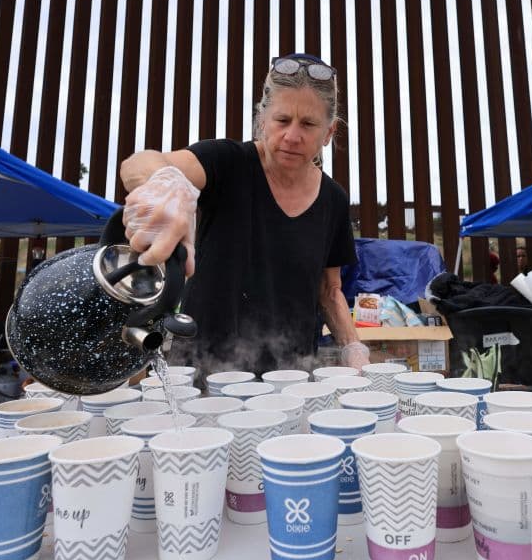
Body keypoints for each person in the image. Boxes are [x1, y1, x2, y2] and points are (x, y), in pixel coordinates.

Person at [119, 52, 368, 376]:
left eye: (308, 124)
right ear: (262, 119)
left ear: (329, 133)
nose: (292, 136)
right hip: (204, 371)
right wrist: (165, 186)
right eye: (282, 120)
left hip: (291, 377)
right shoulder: (225, 163)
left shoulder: (333, 199)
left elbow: (330, 290)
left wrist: (353, 347)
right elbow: (138, 164)